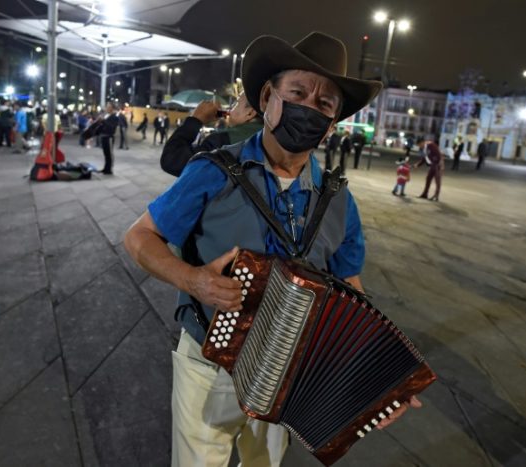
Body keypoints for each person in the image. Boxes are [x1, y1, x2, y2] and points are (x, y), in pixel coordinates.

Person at [123, 31, 420, 467]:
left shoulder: (339, 200)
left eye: (324, 104)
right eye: (298, 92)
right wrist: (195, 280)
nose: (309, 108)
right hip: (210, 366)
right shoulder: (213, 170)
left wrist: (376, 381)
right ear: (267, 96)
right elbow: (138, 236)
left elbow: (350, 288)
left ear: (333, 124)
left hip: (289, 374)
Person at [160, 93, 261, 176]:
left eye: (236, 103)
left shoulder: (223, 140)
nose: (231, 108)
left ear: (250, 113)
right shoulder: (266, 135)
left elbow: (172, 160)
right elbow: (228, 114)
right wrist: (221, 115)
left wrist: (195, 119)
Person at [98, 103, 120, 174]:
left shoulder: (115, 117)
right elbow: (103, 125)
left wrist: (103, 121)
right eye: (106, 106)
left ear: (112, 108)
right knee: (105, 153)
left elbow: (111, 127)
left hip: (109, 137)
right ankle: (106, 168)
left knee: (109, 153)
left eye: (108, 107)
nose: (106, 108)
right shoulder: (106, 116)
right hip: (104, 136)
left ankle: (109, 169)